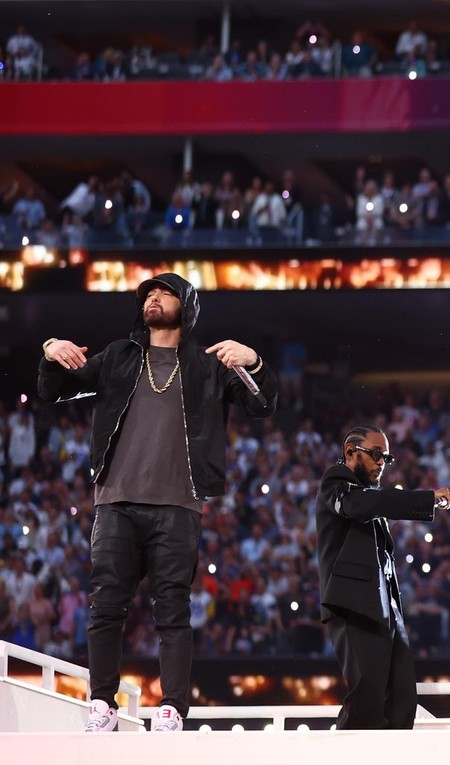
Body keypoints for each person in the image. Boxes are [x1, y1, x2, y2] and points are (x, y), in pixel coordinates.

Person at [36, 272, 278, 732]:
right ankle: (102, 704)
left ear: (185, 306)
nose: (153, 298)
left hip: (178, 505)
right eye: (148, 293)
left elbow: (263, 404)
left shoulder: (209, 366)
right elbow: (53, 390)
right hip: (116, 502)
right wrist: (49, 348)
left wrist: (255, 361)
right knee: (106, 605)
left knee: (172, 610)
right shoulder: (119, 356)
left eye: (164, 292)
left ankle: (170, 708)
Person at [314, 425, 450, 729]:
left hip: (384, 608)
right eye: (376, 454)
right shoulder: (336, 481)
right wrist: (426, 499)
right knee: (367, 696)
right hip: (353, 605)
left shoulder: (368, 495)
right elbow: (360, 506)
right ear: (351, 452)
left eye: (386, 458)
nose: (381, 463)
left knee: (401, 699)